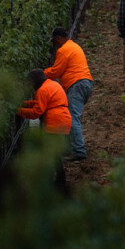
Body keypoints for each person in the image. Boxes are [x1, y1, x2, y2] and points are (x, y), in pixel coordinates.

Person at [16, 68, 72, 192]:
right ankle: (60, 182)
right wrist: (25, 104)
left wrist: (19, 111)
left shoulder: (42, 90)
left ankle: (58, 184)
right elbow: (40, 103)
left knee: (52, 155)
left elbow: (37, 112)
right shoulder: (52, 84)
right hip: (64, 119)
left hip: (55, 123)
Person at [45, 27, 92, 161]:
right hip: (84, 83)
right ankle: (71, 147)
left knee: (72, 117)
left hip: (77, 85)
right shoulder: (74, 46)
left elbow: (55, 72)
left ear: (59, 38)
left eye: (54, 41)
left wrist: (41, 73)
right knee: (70, 116)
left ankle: (79, 151)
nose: (54, 44)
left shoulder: (63, 50)